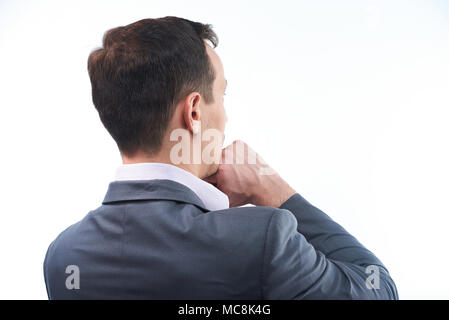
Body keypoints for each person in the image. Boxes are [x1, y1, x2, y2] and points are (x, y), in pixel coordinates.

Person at [43, 16, 398, 299]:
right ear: (194, 111)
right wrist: (274, 190)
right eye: (222, 96)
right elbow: (375, 288)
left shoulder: (63, 257)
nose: (225, 117)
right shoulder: (262, 241)